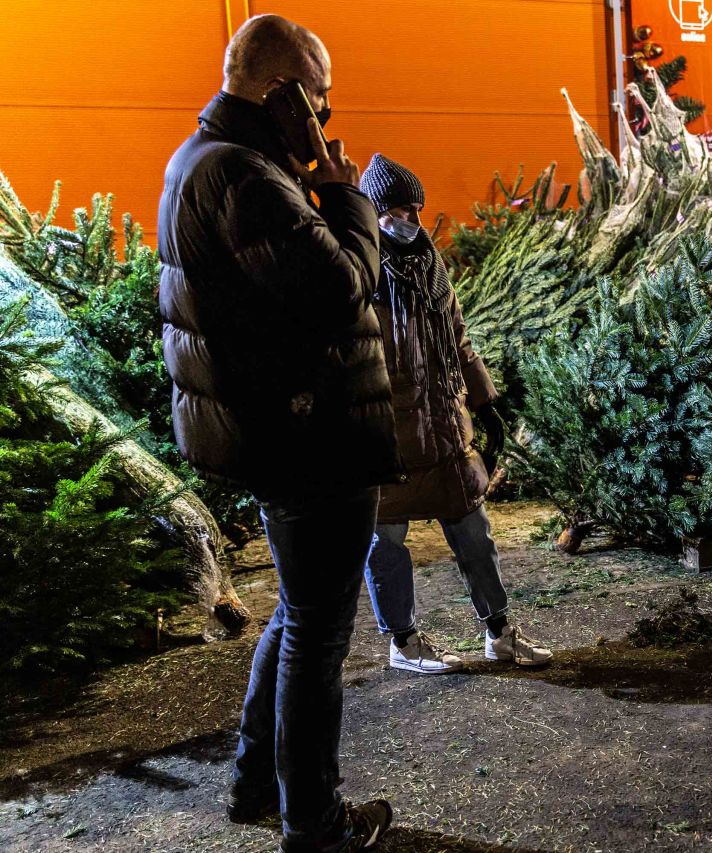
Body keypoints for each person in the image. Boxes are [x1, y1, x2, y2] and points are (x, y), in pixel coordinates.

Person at [158, 14, 396, 851]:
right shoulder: (249, 177)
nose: (327, 117)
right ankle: (315, 824)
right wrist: (346, 197)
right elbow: (342, 289)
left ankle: (256, 785)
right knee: (317, 635)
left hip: (280, 431)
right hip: (310, 436)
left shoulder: (205, 161)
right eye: (319, 97)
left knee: (298, 614)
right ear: (280, 90)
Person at [356, 154, 552, 673]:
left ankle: (500, 632)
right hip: (390, 432)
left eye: (415, 208)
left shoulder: (430, 266)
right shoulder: (359, 269)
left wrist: (485, 402)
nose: (409, 219)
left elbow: (458, 341)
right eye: (398, 209)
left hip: (443, 422)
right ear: (374, 211)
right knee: (388, 540)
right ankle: (403, 642)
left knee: (473, 530)